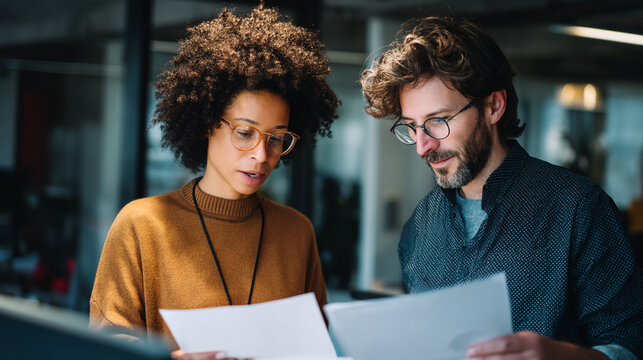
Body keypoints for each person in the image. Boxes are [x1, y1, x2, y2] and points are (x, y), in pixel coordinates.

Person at [360, 16, 643, 360]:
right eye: (412, 127)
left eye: (438, 121)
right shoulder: (418, 229)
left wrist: (562, 356)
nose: (423, 146)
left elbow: (630, 345)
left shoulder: (579, 208)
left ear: (493, 106)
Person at [89, 5, 338, 356]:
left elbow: (319, 346)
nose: (261, 154)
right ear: (208, 123)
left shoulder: (296, 233)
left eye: (276, 138)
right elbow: (106, 347)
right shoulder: (142, 225)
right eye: (245, 132)